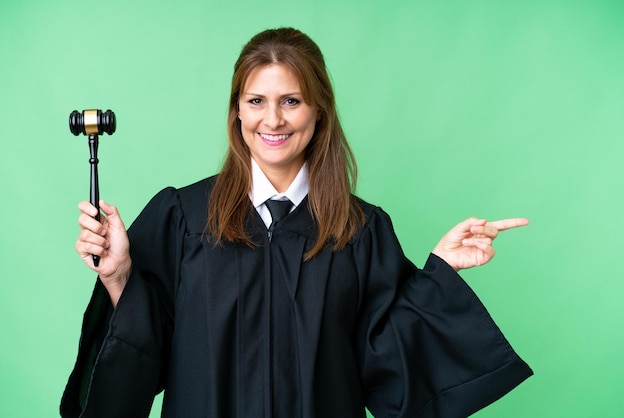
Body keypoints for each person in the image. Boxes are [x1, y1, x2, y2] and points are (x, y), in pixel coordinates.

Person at [61, 27, 532, 418]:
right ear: (237, 110)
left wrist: (440, 272)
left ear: (318, 109)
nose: (272, 120)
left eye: (291, 101)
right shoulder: (182, 217)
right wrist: (120, 276)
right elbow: (146, 353)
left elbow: (389, 365)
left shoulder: (360, 230)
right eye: (255, 101)